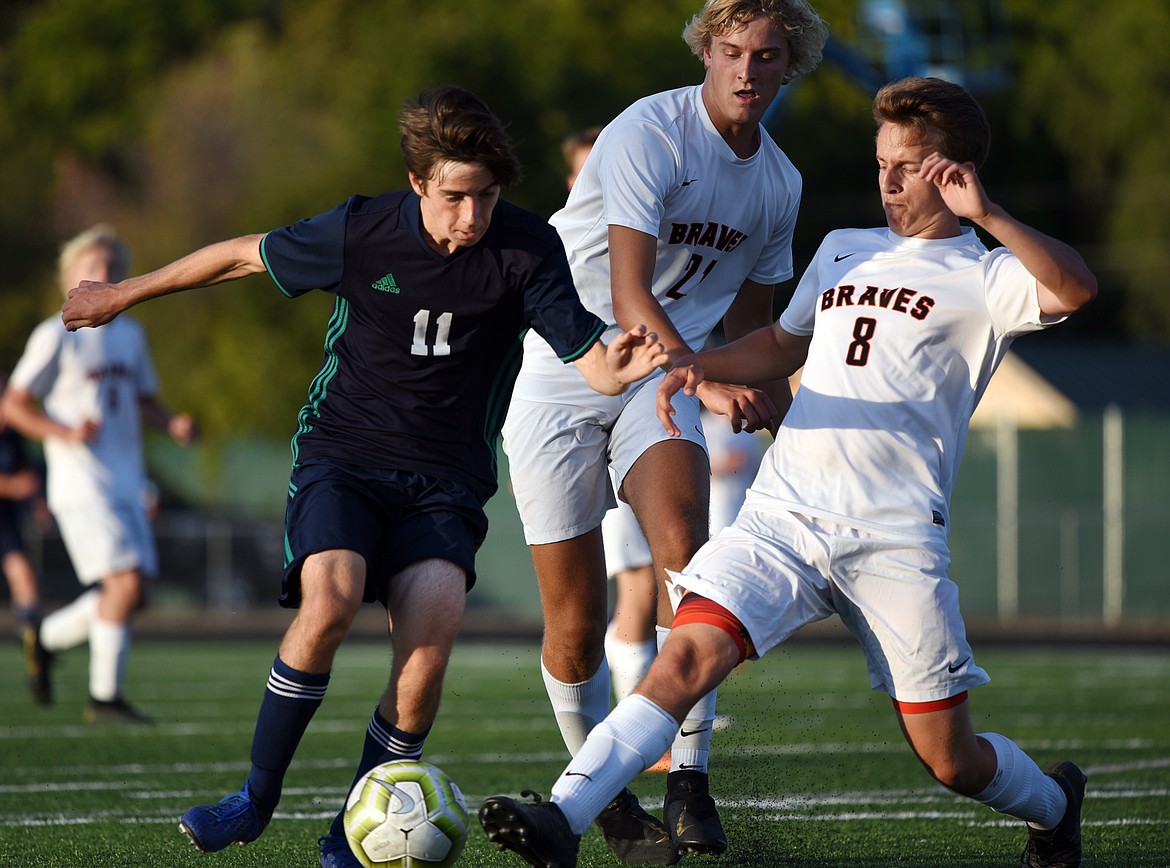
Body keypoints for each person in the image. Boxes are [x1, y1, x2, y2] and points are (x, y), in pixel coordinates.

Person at [479, 75, 1097, 868]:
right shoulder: (844, 247)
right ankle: (564, 817)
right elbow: (781, 343)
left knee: (950, 757)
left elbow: (1074, 287)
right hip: (787, 515)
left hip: (893, 539)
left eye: (909, 166)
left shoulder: (987, 275)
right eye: (883, 163)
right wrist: (692, 366)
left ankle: (1055, 806)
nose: (889, 181)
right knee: (684, 657)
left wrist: (992, 215)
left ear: (956, 172)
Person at [60, 86, 667, 868]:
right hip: (342, 454)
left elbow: (589, 356)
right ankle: (253, 800)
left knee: (431, 640)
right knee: (333, 598)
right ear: (418, 183)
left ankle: (348, 832)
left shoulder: (525, 248)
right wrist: (120, 295)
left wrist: (621, 367)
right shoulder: (361, 230)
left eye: (486, 197)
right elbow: (242, 254)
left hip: (447, 477)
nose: (472, 217)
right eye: (454, 197)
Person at [501, 0, 827, 860]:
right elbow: (634, 300)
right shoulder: (652, 128)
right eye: (732, 51)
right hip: (569, 371)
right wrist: (708, 383)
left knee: (692, 558)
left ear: (789, 65)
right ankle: (602, 802)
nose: (748, 71)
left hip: (664, 383)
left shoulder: (781, 183)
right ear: (706, 53)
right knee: (578, 621)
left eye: (766, 55)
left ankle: (689, 782)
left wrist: (789, 427)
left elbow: (758, 335)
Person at [2, 225, 197, 721]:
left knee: (135, 594)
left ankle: (44, 639)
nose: (104, 275)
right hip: (79, 480)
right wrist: (61, 433)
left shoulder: (131, 335)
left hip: (126, 480)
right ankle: (103, 698)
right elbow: (14, 405)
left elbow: (145, 401)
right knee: (125, 583)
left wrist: (171, 422)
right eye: (93, 267)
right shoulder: (56, 334)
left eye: (111, 268)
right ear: (70, 277)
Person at [0, 370, 45, 638]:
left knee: (24, 576)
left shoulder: (13, 436)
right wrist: (13, 486)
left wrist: (38, 501)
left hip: (6, 518)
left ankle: (34, 652)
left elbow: (27, 473)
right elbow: (18, 482)